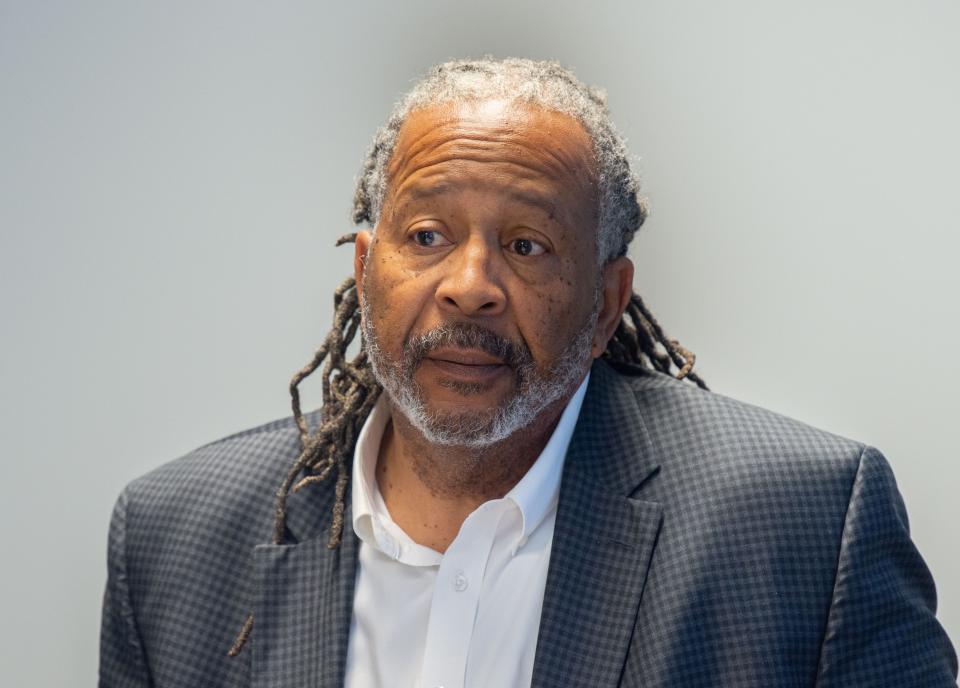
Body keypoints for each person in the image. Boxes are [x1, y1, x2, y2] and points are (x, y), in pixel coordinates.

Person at [99, 57, 958, 688]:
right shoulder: (174, 540)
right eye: (428, 235)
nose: (470, 287)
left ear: (607, 302)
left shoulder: (800, 525)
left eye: (527, 245)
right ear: (365, 271)